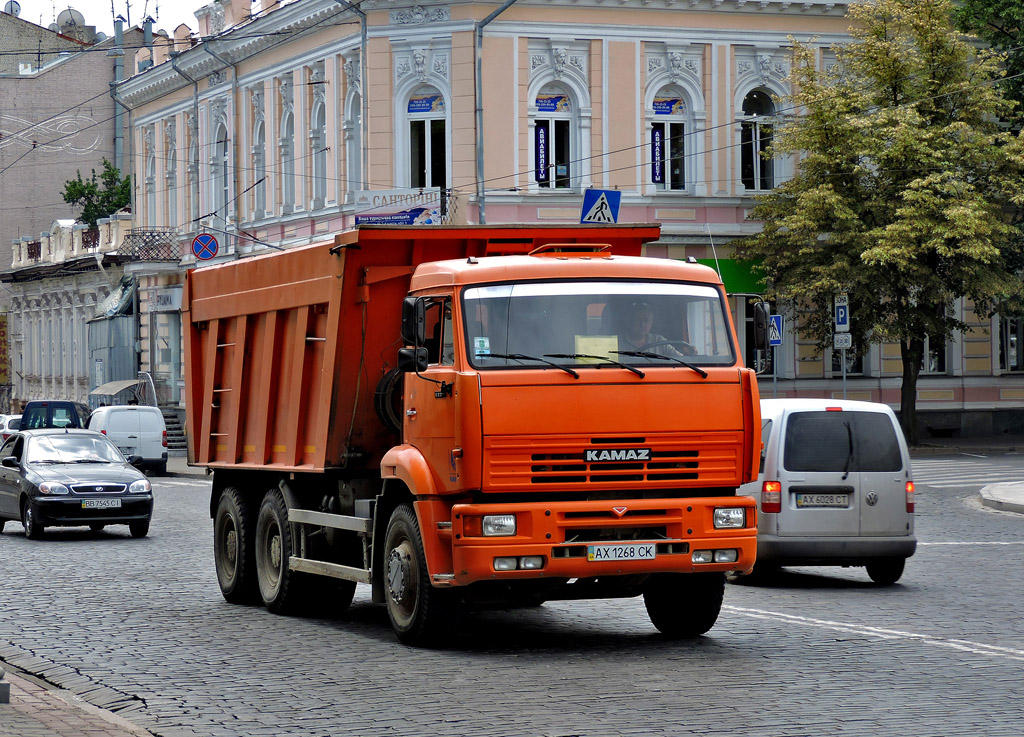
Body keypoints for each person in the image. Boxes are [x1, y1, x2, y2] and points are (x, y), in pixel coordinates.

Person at [616, 300, 695, 357]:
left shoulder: (659, 341)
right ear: (630, 321)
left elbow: (679, 358)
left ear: (651, 322)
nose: (642, 324)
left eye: (646, 320)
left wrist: (689, 354)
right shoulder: (617, 342)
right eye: (638, 320)